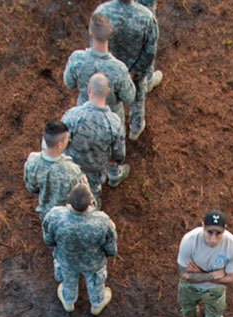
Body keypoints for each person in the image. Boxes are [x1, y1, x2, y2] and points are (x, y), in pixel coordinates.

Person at [63, 13, 136, 187]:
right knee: (113, 144)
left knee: (83, 141)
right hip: (111, 113)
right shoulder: (118, 69)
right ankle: (114, 173)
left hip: (83, 107)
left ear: (90, 34)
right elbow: (129, 97)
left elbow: (68, 83)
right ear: (110, 33)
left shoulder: (77, 59)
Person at [42, 183, 117, 314]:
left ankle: (68, 301)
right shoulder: (102, 222)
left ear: (69, 197)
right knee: (95, 283)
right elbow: (111, 248)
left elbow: (48, 240)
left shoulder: (55, 216)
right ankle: (97, 304)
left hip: (66, 260)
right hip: (93, 263)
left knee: (68, 279)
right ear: (90, 202)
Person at [176, 210, 233, 317]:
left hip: (214, 291)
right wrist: (211, 275)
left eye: (218, 234)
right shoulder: (189, 240)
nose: (213, 239)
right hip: (189, 287)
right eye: (209, 232)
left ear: (224, 230)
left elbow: (232, 278)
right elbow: (184, 275)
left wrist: (197, 273)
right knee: (187, 307)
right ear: (202, 226)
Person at [93, 0, 159, 141]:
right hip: (134, 71)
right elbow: (150, 52)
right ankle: (135, 129)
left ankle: (113, 130)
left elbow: (95, 43)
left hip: (108, 70)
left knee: (110, 100)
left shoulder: (102, 12)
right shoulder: (147, 17)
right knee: (138, 97)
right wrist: (135, 71)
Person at [62, 73, 128, 207]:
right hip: (95, 169)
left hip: (71, 166)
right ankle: (92, 206)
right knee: (92, 192)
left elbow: (62, 142)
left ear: (89, 89)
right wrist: (116, 160)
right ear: (107, 92)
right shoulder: (114, 122)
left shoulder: (72, 115)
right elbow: (119, 154)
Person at [23, 121, 86, 221]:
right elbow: (80, 198)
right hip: (65, 216)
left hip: (45, 213)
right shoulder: (72, 171)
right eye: (67, 139)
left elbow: (32, 188)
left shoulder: (32, 160)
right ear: (60, 144)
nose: (68, 141)